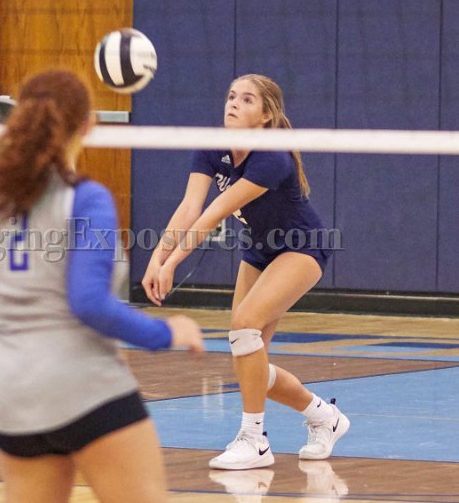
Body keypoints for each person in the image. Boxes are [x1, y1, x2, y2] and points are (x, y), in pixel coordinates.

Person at [0, 69, 204, 503]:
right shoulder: (87, 199)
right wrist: (166, 332)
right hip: (83, 386)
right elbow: (88, 302)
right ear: (88, 126)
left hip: (11, 393)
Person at [142, 74, 349, 470]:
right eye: (232, 96)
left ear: (266, 115)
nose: (234, 103)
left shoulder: (272, 157)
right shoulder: (212, 145)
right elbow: (189, 207)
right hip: (259, 249)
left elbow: (213, 213)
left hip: (301, 246)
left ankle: (254, 441)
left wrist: (172, 263)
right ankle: (325, 416)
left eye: (247, 99)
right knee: (247, 354)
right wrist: (157, 258)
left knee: (244, 324)